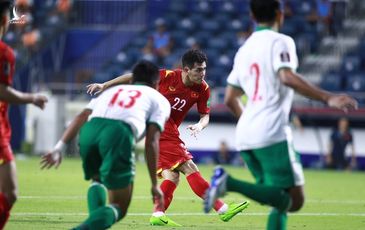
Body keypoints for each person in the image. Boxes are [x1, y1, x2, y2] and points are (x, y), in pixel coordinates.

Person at [203, 1, 358, 230]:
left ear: (252, 15)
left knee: (279, 199)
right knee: (295, 200)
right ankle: (229, 182)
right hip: (272, 132)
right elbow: (286, 76)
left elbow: (229, 98)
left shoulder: (244, 49)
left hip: (245, 133)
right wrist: (328, 98)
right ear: (280, 14)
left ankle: (229, 183)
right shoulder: (281, 41)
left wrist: (250, 123)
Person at [87, 49, 249, 226]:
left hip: (165, 130)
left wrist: (199, 126)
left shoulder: (203, 89)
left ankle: (158, 214)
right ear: (186, 70)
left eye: (204, 69)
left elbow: (205, 115)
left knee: (172, 176)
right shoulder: (167, 76)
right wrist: (105, 85)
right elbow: (134, 76)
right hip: (159, 125)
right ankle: (222, 209)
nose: (203, 74)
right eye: (198, 70)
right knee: (189, 166)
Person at [41, 60, 171, 230]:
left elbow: (81, 116)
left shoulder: (112, 91)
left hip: (88, 132)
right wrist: (154, 184)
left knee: (97, 180)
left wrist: (59, 148)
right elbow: (152, 141)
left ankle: (95, 223)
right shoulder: (159, 100)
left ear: (132, 80)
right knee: (119, 207)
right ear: (156, 83)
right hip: (118, 134)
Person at [0, 1, 48, 229]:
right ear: (4, 20)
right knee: (10, 192)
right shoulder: (4, 52)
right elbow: (1, 90)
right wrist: (32, 98)